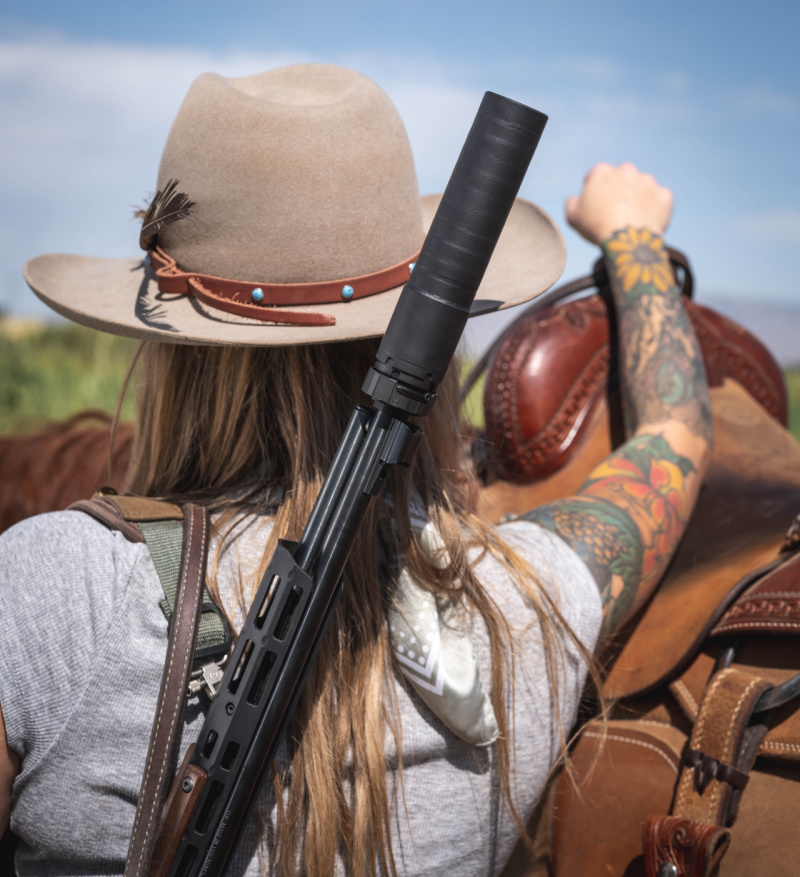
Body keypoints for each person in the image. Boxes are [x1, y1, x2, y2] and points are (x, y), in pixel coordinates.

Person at [0, 64, 711, 877]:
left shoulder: (49, 586)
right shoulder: (527, 604)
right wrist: (634, 239)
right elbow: (676, 435)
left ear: (172, 355)